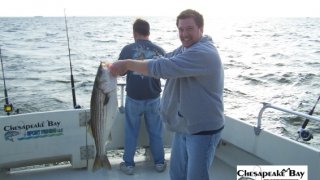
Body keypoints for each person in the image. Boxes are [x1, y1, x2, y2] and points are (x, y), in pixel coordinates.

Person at [108, 9, 224, 180]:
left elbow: (163, 68)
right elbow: (165, 59)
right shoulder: (186, 48)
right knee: (176, 174)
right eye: (181, 29)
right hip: (184, 126)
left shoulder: (203, 53)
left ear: (201, 28)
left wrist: (127, 63)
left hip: (203, 130)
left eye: (189, 28)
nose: (184, 34)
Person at [118, 18, 166, 175]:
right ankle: (159, 163)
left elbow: (119, 71)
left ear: (134, 33)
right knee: (156, 132)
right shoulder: (159, 50)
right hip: (154, 98)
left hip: (133, 99)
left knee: (131, 132)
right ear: (148, 32)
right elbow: (168, 72)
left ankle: (129, 165)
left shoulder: (127, 50)